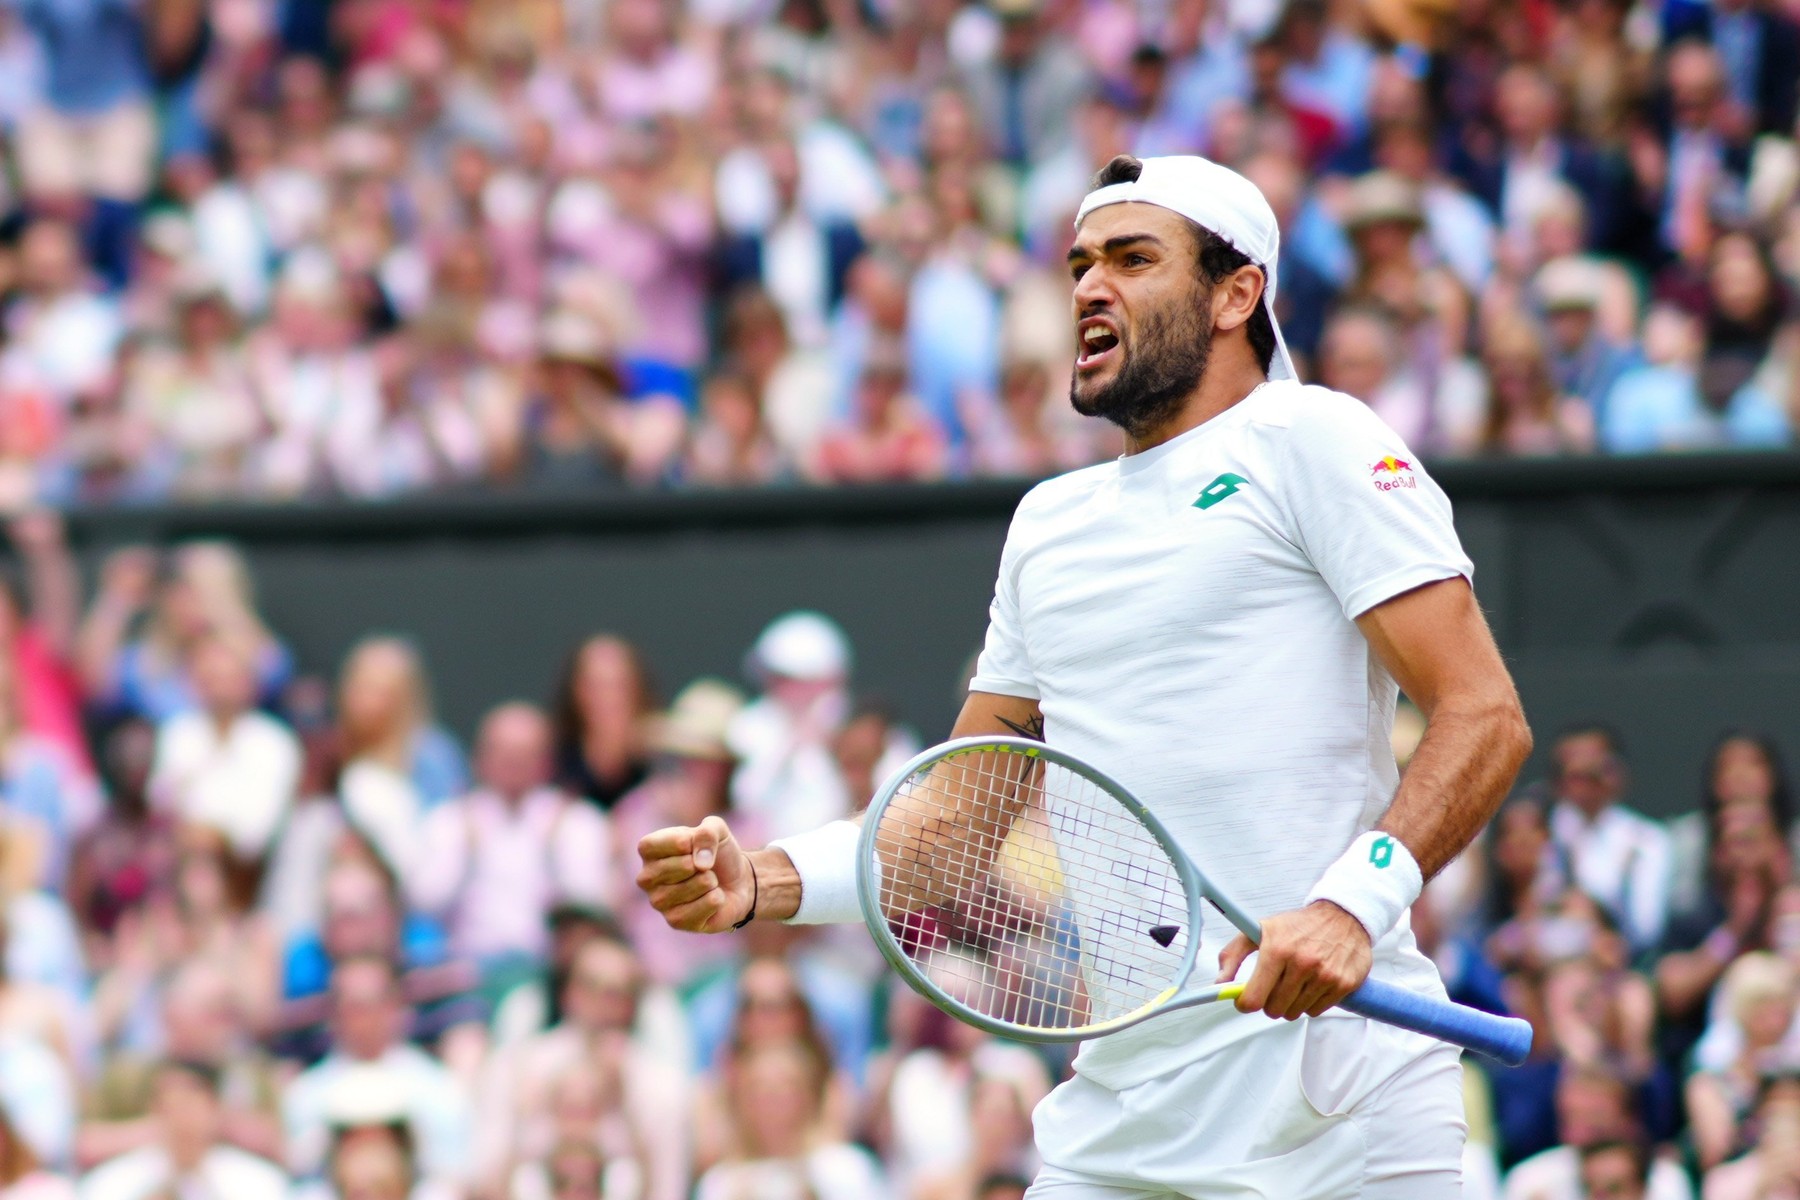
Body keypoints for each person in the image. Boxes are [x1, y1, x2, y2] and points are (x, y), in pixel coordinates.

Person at [640, 153, 1533, 1196]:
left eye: (1132, 259)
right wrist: (763, 881)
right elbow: (949, 828)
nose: (1089, 288)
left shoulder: (1314, 438)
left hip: (1339, 1115)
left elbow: (1484, 715)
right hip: (1117, 1124)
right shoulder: (1048, 526)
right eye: (1078, 266)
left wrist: (1350, 906)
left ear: (1237, 293)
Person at [409, 703, 613, 968]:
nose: (513, 764)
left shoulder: (578, 821)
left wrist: (553, 855)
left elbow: (591, 905)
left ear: (547, 762)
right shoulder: (447, 821)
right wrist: (464, 854)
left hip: (550, 973)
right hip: (466, 971)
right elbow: (424, 903)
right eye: (503, 753)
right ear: (479, 759)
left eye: (525, 754)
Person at [77, 1060, 289, 1200]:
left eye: (190, 1106)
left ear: (215, 1109)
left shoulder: (259, 1183)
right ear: (155, 1110)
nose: (182, 1119)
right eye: (172, 1106)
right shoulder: (112, 1184)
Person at [1545, 725, 1674, 955]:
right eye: (1571, 774)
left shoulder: (1645, 840)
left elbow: (1646, 931)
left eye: (1591, 773)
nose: (1582, 785)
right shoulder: (1542, 831)